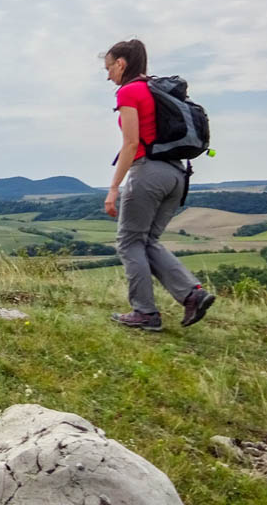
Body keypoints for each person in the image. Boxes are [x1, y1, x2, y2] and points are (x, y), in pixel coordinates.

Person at [103, 39, 214, 331]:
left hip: (148, 173)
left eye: (109, 67)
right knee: (147, 241)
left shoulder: (129, 92)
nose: (108, 75)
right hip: (176, 174)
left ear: (121, 64)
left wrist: (114, 187)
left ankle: (145, 313)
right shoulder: (156, 89)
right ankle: (192, 294)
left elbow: (130, 143)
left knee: (128, 242)